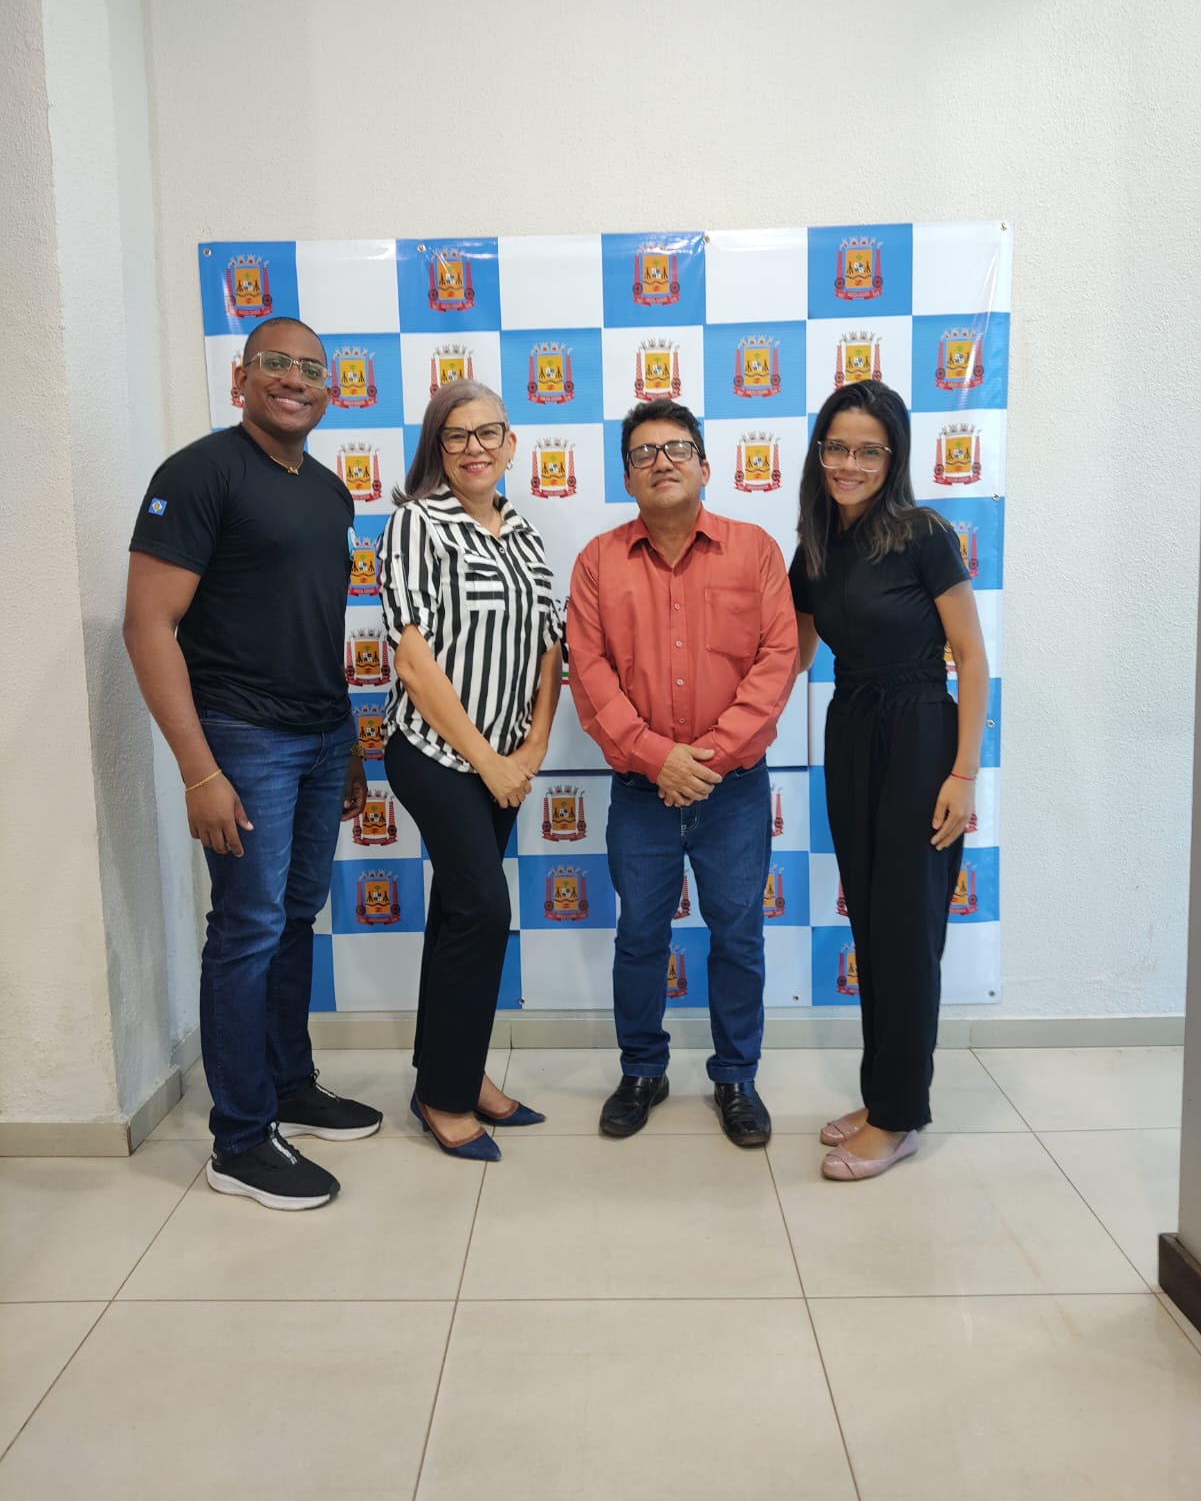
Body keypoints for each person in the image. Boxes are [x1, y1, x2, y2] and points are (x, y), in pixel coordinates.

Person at [123, 317, 382, 1212]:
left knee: (293, 917)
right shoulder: (198, 473)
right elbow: (147, 625)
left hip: (319, 738)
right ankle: (238, 1140)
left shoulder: (330, 493)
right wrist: (199, 771)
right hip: (241, 738)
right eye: (275, 363)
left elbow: (314, 625)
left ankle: (287, 1085)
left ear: (329, 392)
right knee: (246, 928)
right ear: (241, 379)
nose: (294, 379)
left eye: (311, 368)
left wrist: (347, 741)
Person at [567, 401, 798, 1146]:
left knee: (738, 936)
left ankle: (736, 1077)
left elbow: (777, 661)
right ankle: (642, 1069)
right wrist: (655, 757)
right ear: (626, 476)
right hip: (641, 792)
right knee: (639, 936)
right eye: (643, 453)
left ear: (705, 465)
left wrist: (705, 760)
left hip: (733, 792)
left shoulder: (754, 551)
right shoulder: (597, 561)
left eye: (676, 449)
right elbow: (588, 671)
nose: (660, 462)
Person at [790, 380, 989, 1181]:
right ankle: (882, 1099)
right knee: (872, 927)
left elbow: (971, 657)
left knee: (905, 931)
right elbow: (794, 655)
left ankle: (900, 1117)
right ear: (818, 452)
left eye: (868, 450)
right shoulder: (813, 546)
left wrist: (962, 773)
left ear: (892, 456)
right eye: (836, 447)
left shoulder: (921, 534)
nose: (849, 463)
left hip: (919, 734)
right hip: (850, 730)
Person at [378, 381, 562, 1161]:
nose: (474, 447)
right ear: (437, 448)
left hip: (504, 765)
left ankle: (452, 1070)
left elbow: (550, 649)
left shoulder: (524, 534)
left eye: (488, 433)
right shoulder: (416, 523)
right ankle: (444, 1098)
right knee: (483, 910)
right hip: (434, 753)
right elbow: (412, 659)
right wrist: (486, 761)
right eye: (456, 436)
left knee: (459, 912)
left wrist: (531, 751)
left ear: (511, 444)